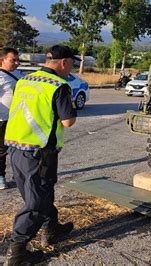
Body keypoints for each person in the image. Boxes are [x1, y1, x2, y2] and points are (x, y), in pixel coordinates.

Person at [4, 45, 79, 265]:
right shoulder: (59, 85)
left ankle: (52, 228)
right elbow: (68, 121)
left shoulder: (24, 80)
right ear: (64, 62)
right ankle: (17, 250)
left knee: (40, 192)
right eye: (72, 64)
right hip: (40, 153)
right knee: (36, 200)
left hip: (16, 148)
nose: (71, 69)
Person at [0, 47, 22, 189]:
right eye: (12, 60)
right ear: (2, 60)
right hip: (2, 120)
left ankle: (18, 174)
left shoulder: (19, 74)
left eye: (17, 60)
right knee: (1, 150)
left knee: (18, 149)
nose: (16, 63)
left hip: (18, 119)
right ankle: (0, 176)